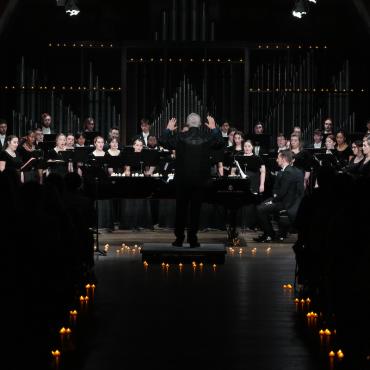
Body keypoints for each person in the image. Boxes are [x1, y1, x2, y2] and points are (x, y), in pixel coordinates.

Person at [159, 113, 223, 247]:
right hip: (200, 181)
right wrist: (214, 128)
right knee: (195, 210)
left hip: (182, 181)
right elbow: (220, 143)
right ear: (200, 124)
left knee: (180, 210)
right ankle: (193, 239)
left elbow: (163, 141)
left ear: (187, 124)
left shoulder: (180, 137)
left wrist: (168, 129)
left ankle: (179, 239)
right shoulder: (207, 137)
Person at [253, 149, 304, 242]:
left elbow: (283, 192)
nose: (277, 160)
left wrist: (273, 199)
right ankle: (269, 233)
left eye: (278, 158)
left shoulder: (288, 172)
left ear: (284, 159)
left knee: (259, 209)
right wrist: (274, 196)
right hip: (286, 200)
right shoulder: (293, 170)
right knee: (261, 206)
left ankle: (269, 234)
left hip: (286, 203)